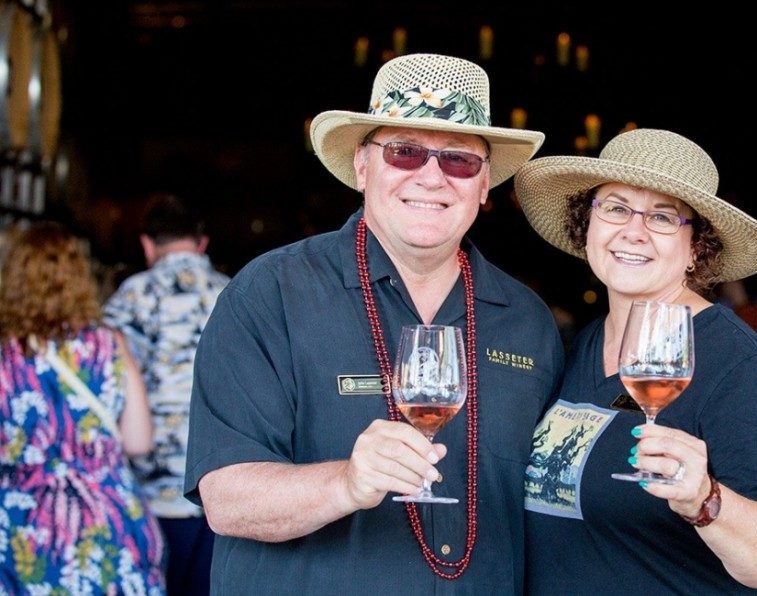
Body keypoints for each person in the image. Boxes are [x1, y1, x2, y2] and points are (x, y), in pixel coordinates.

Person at [183, 53, 564, 593]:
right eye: (405, 152)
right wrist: (349, 482)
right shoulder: (269, 294)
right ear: (363, 166)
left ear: (484, 186)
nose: (431, 178)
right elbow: (227, 499)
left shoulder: (528, 322)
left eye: (458, 160)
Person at [514, 129, 757, 593]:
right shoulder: (579, 348)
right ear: (586, 225)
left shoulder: (737, 364)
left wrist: (704, 498)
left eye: (663, 217)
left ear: (696, 249)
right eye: (615, 207)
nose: (633, 231)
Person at [0, 222, 165, 593]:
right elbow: (139, 441)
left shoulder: (5, 356)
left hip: (20, 526)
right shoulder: (109, 344)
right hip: (102, 520)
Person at [103, 194, 229, 595]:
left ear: (146, 243)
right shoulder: (237, 294)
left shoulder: (131, 297)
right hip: (221, 483)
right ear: (202, 242)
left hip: (152, 488)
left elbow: (106, 382)